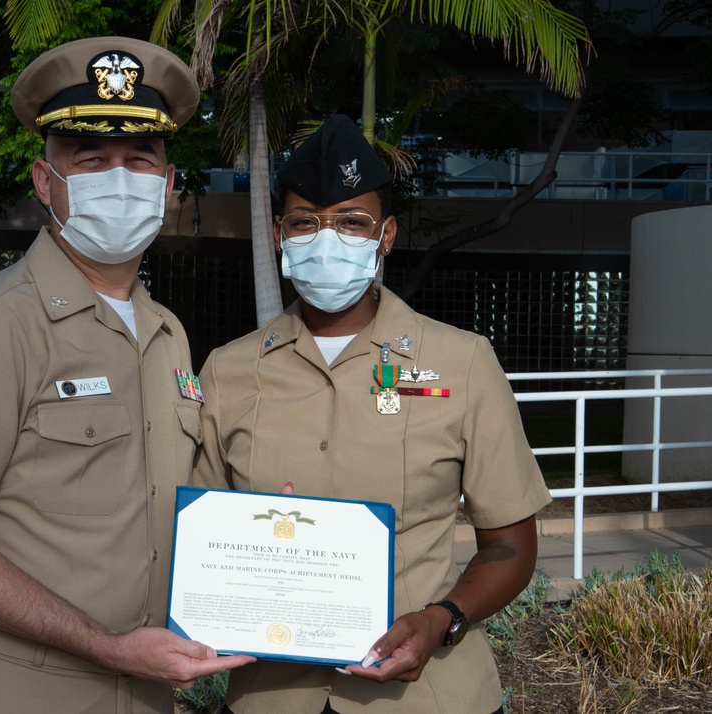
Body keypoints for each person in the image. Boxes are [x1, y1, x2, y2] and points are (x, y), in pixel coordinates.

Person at [0, 36, 253, 714]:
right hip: (18, 692)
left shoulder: (166, 333)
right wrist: (108, 647)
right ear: (45, 182)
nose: (118, 180)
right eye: (90, 160)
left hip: (145, 692)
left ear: (168, 183)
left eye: (138, 160)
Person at [192, 114, 552, 714]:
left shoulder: (461, 362)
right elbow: (199, 539)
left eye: (352, 222)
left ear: (384, 237)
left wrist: (445, 619)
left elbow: (511, 546)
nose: (326, 238)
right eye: (306, 222)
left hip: (429, 695)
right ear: (279, 233)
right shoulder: (227, 372)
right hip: (271, 694)